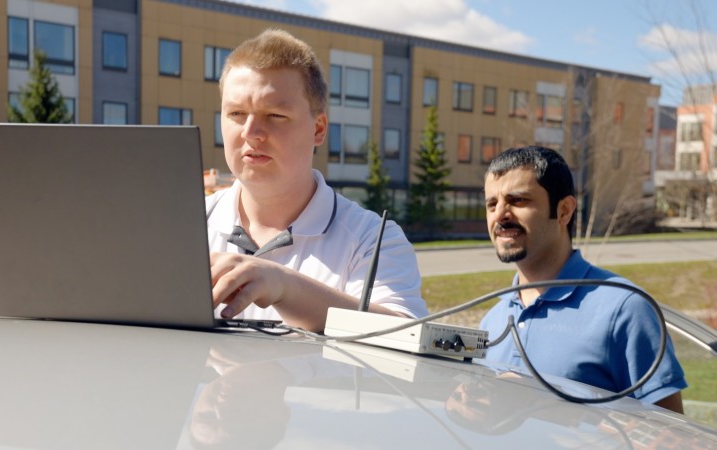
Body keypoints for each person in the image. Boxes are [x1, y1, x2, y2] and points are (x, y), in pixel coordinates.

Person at [207, 29, 428, 332]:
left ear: (319, 129)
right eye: (236, 113)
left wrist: (284, 286)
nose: (251, 132)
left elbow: (406, 335)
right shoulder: (179, 225)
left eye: (274, 114)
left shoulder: (373, 240)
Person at [479, 145, 687, 412]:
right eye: (491, 204)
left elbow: (670, 435)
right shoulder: (492, 320)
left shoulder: (625, 308)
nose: (500, 215)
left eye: (518, 200)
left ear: (564, 210)